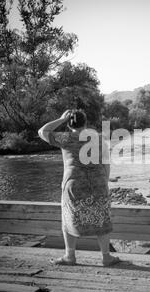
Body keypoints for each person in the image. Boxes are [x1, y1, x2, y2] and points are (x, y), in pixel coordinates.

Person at [38, 109, 120, 266]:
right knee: (101, 218)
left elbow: (42, 131)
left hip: (73, 184)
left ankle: (70, 256)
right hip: (97, 182)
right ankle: (106, 257)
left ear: (69, 125)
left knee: (69, 218)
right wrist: (104, 182)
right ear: (86, 123)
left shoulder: (65, 137)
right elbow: (106, 163)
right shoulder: (99, 139)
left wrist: (61, 119)